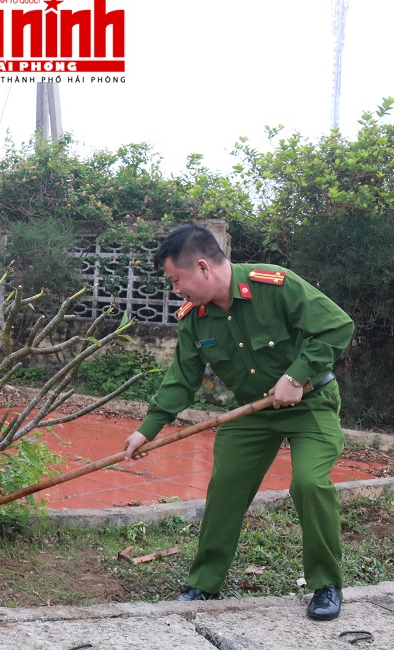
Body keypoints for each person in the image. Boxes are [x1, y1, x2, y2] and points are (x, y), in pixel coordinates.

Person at [121, 224, 354, 621]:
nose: (175, 290)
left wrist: (296, 375)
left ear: (202, 267)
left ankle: (326, 584)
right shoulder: (194, 318)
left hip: (310, 403)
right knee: (225, 487)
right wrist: (147, 429)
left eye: (176, 280)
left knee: (309, 483)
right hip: (251, 412)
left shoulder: (275, 285)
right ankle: (204, 583)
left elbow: (337, 325)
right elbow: (181, 379)